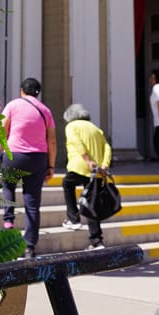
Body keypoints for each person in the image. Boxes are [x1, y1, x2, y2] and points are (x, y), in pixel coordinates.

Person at [1, 77, 56, 258]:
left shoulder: (13, 105)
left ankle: (8, 222)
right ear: (38, 93)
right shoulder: (45, 110)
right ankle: (29, 246)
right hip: (38, 158)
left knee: (8, 187)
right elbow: (52, 140)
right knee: (32, 204)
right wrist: (51, 165)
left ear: (21, 91)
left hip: (14, 155)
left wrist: (3, 149)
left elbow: (2, 128)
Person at [60, 103, 113, 251]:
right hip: (96, 171)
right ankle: (97, 241)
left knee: (67, 184)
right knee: (92, 203)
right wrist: (105, 165)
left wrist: (87, 160)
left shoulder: (71, 126)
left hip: (80, 166)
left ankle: (74, 218)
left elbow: (77, 142)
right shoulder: (95, 128)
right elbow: (107, 147)